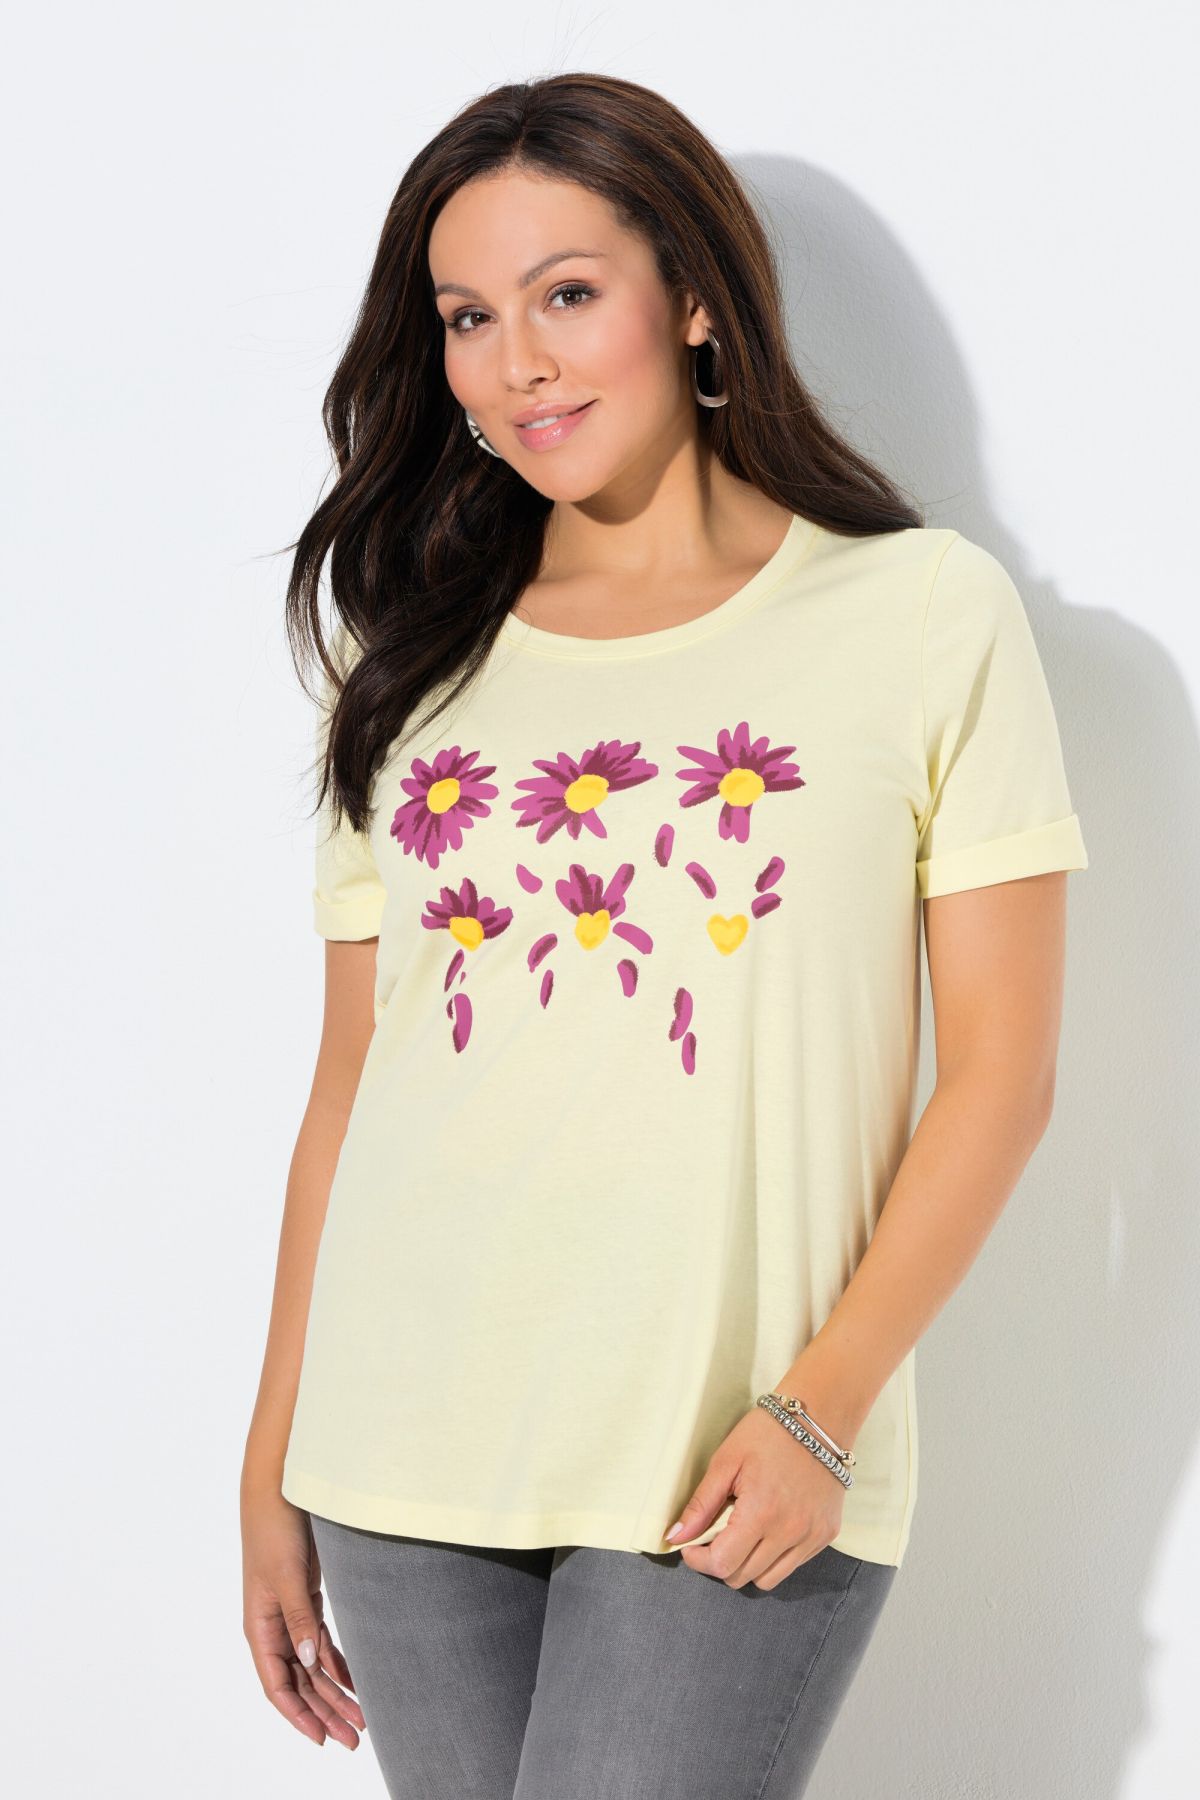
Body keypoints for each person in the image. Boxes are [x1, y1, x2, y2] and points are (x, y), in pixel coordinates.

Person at [239, 71, 1089, 1799]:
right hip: (405, 1447)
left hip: (733, 1453)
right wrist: (272, 1463)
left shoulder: (921, 615)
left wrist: (820, 1411)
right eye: (468, 317)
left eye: (566, 294)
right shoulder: (410, 662)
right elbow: (348, 1090)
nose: (517, 363)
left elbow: (1002, 1079)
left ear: (694, 296)